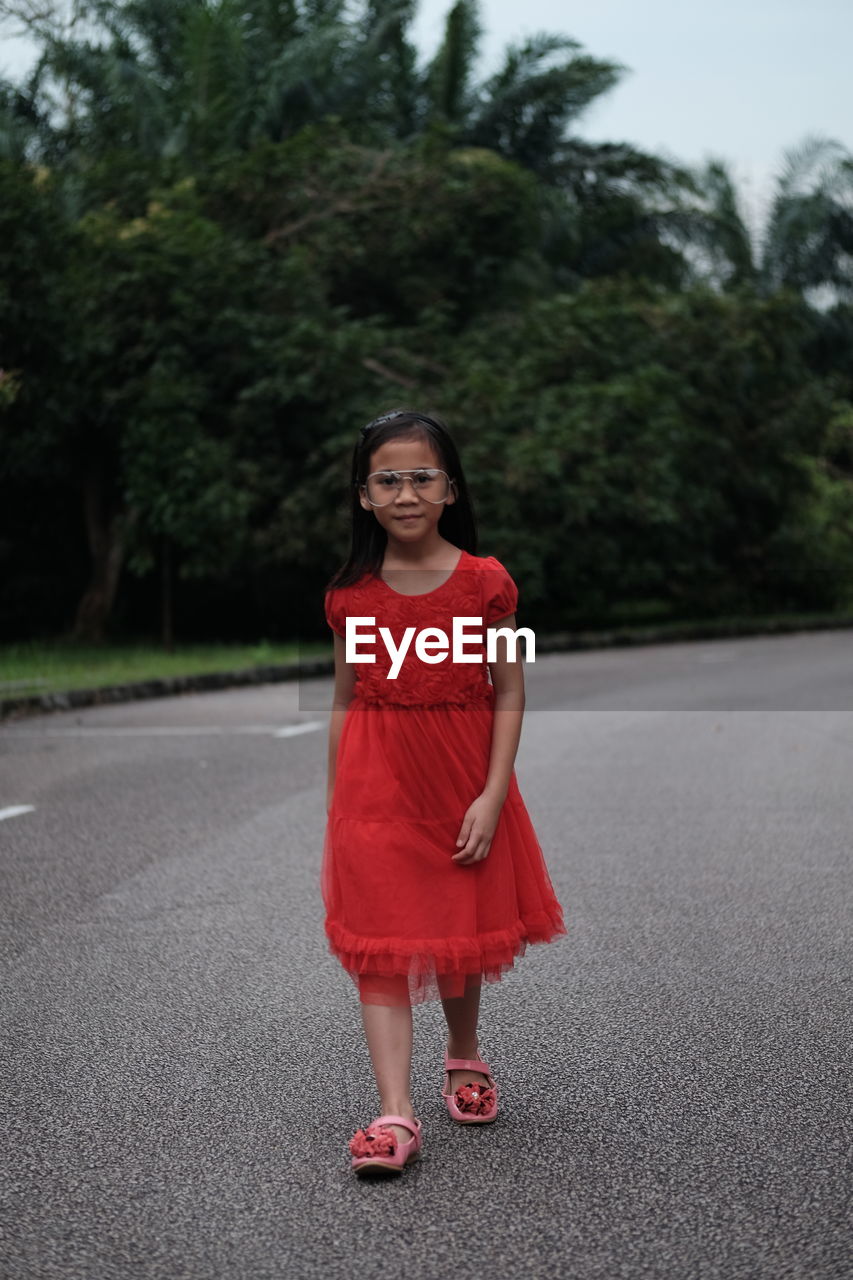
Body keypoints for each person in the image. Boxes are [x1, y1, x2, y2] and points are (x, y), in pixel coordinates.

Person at [323, 408, 567, 1177]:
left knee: (458, 923)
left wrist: (493, 795)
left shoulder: (485, 582)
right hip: (375, 788)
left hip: (461, 781)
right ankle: (394, 1113)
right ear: (363, 495)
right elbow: (343, 699)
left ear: (450, 489)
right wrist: (338, 807)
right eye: (386, 479)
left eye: (421, 477)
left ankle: (462, 1050)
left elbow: (510, 691)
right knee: (380, 943)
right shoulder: (349, 595)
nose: (404, 493)